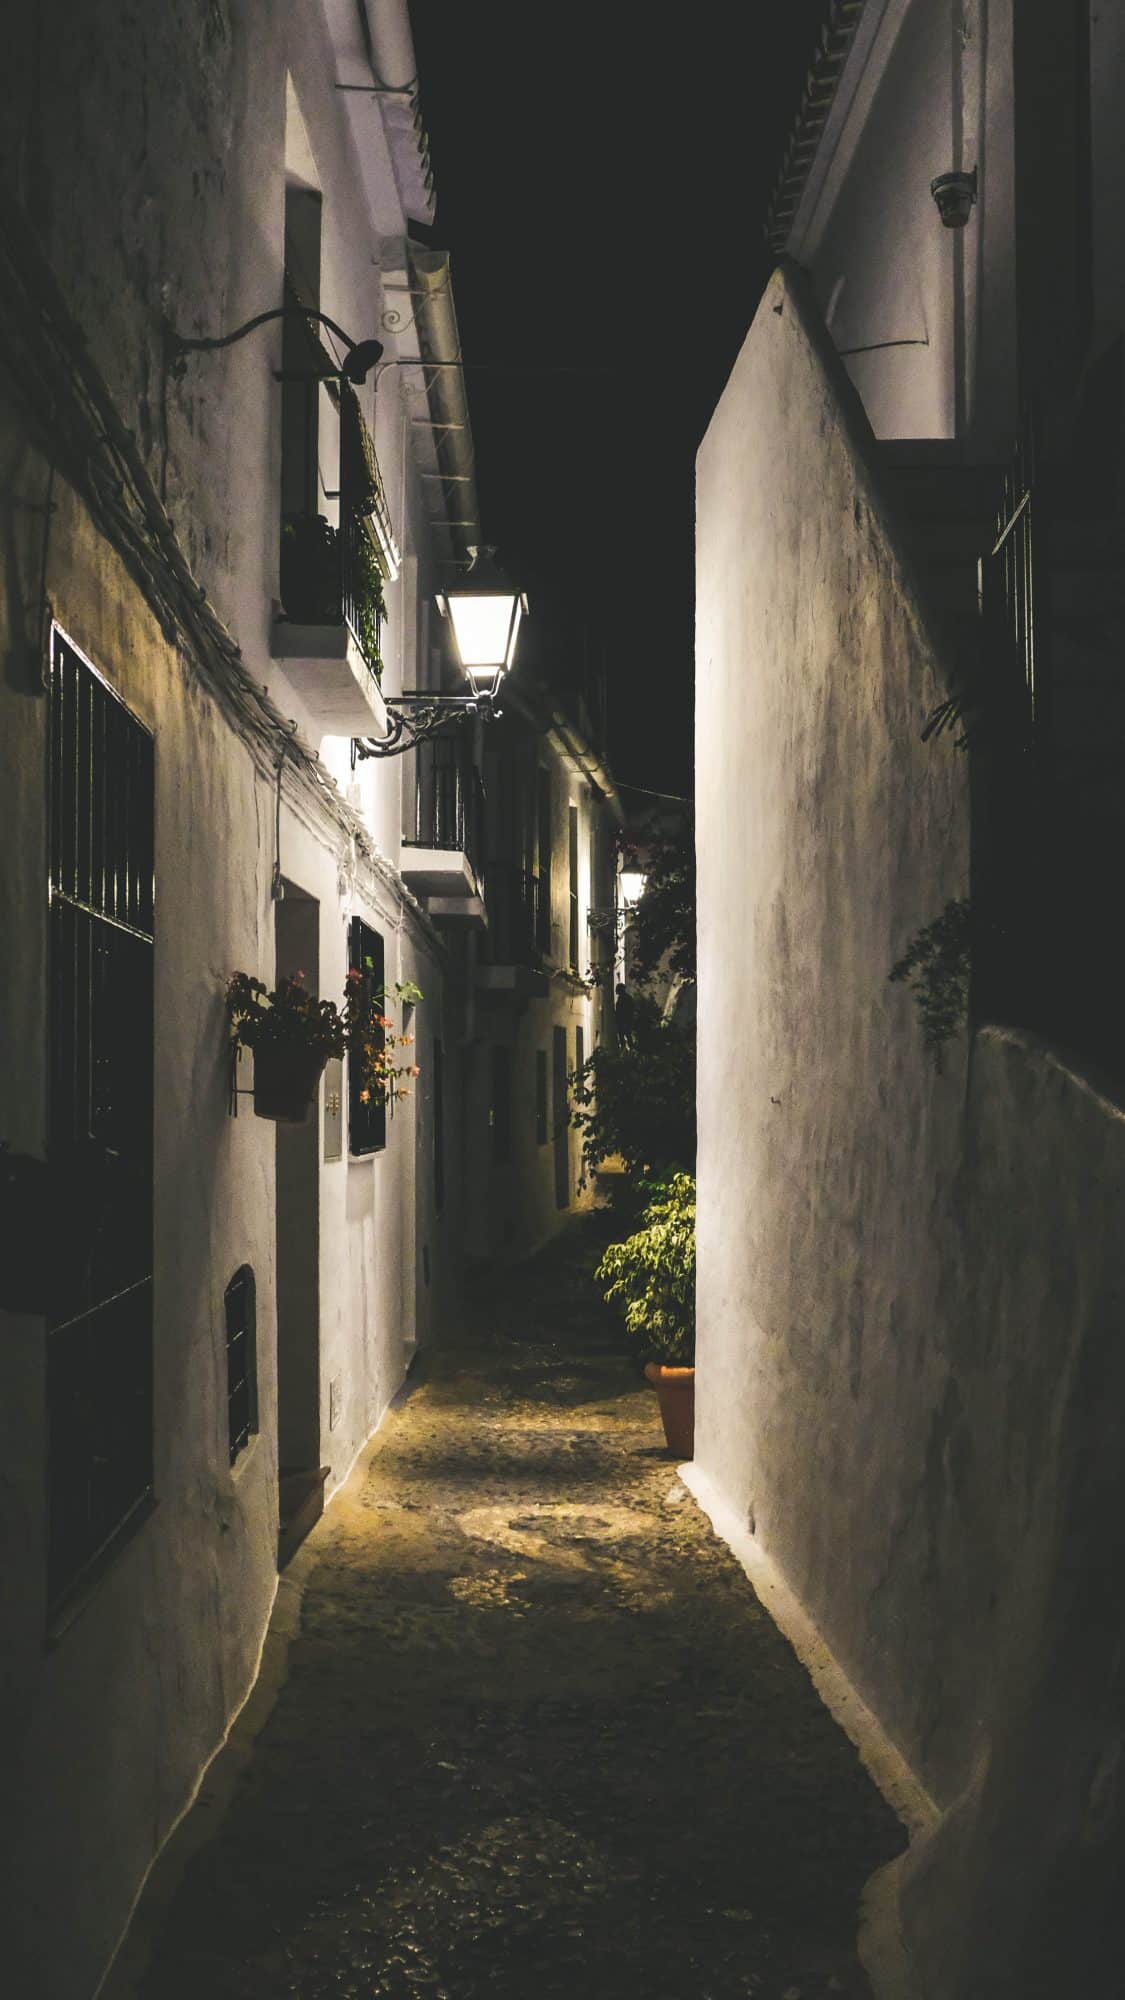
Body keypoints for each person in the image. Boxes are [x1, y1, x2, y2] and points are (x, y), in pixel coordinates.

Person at [614, 981, 636, 1047]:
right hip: (623, 1021)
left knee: (626, 1035)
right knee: (623, 1035)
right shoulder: (624, 998)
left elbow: (628, 1011)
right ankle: (626, 1048)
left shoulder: (625, 998)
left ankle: (629, 1048)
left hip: (625, 1020)